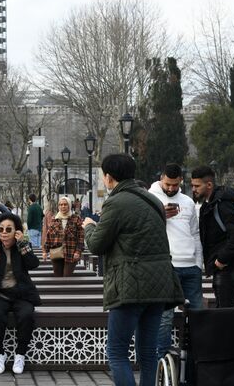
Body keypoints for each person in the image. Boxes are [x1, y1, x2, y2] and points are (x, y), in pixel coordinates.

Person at [83, 154, 183, 386]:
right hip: (159, 285)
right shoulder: (153, 201)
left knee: (117, 352)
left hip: (130, 286)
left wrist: (89, 226)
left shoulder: (116, 202)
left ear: (108, 177)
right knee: (148, 353)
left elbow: (97, 244)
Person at [149, 163, 204, 359]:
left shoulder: (188, 201)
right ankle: (162, 358)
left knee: (198, 313)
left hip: (190, 266)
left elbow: (195, 234)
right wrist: (159, 214)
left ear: (181, 180)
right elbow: (144, 229)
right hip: (167, 265)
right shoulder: (151, 198)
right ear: (161, 178)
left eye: (175, 184)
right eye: (167, 184)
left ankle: (198, 356)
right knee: (165, 316)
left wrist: (198, 263)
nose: (171, 188)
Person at [0, 212, 41, 375]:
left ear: (16, 231)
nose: (4, 233)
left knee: (27, 315)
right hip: (0, 294)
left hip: (21, 294)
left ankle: (20, 354)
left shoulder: (21, 245)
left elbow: (34, 264)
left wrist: (22, 244)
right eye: (1, 229)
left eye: (8, 229)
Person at [190, 165, 234, 308]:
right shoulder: (210, 204)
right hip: (222, 267)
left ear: (209, 185)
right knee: (223, 310)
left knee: (226, 312)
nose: (193, 189)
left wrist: (221, 259)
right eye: (192, 185)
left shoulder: (222, 204)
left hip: (227, 267)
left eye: (197, 186)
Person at [44, 196, 84, 277]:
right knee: (57, 277)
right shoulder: (54, 219)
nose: (63, 206)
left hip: (71, 252)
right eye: (61, 205)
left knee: (66, 277)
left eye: (65, 204)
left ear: (69, 205)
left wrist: (78, 251)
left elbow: (81, 237)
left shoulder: (76, 219)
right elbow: (48, 236)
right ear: (58, 206)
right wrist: (45, 251)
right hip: (56, 252)